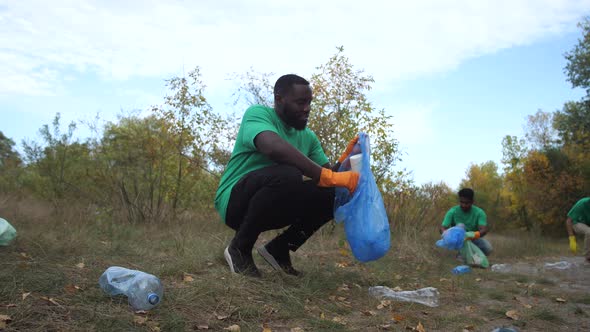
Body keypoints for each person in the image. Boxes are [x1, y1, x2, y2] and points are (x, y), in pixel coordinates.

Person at [214, 74, 360, 277]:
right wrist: (326, 176)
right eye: (300, 102)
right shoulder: (257, 114)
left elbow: (328, 177)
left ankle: (279, 249)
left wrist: (347, 158)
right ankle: (239, 248)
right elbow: (273, 148)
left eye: (309, 102)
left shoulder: (308, 137)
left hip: (274, 205)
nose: (307, 108)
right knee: (288, 173)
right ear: (279, 99)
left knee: (332, 193)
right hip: (234, 203)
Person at [440, 188, 492, 256]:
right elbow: (443, 227)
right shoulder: (452, 211)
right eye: (461, 202)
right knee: (460, 226)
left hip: (472, 238)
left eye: (467, 203)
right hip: (456, 239)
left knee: (488, 249)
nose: (463, 205)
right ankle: (460, 252)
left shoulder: (479, 213)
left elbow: (483, 230)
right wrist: (447, 235)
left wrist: (470, 235)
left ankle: (468, 254)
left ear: (472, 202)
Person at [565, 197, 590, 262]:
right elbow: (568, 220)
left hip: (588, 223)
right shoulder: (582, 203)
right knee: (589, 232)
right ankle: (588, 257)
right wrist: (571, 239)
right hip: (577, 223)